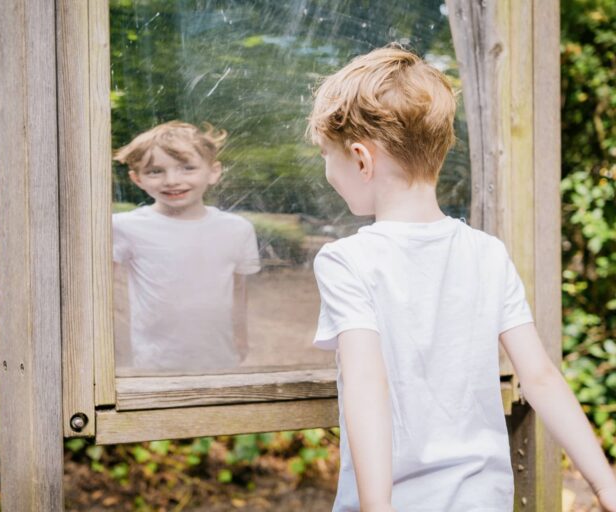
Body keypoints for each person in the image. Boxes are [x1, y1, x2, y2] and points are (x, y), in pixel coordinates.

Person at [307, 47, 616, 511]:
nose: (328, 172)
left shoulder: (347, 260)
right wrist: (606, 486)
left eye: (327, 157)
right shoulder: (487, 253)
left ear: (361, 158)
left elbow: (367, 385)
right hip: (483, 498)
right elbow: (541, 378)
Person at [112, 121, 260, 372]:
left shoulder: (237, 229)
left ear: (213, 172)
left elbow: (238, 290)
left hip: (219, 359)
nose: (172, 180)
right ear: (136, 178)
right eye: (155, 171)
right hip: (153, 363)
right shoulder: (124, 227)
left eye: (187, 168)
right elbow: (103, 293)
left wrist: (241, 335)